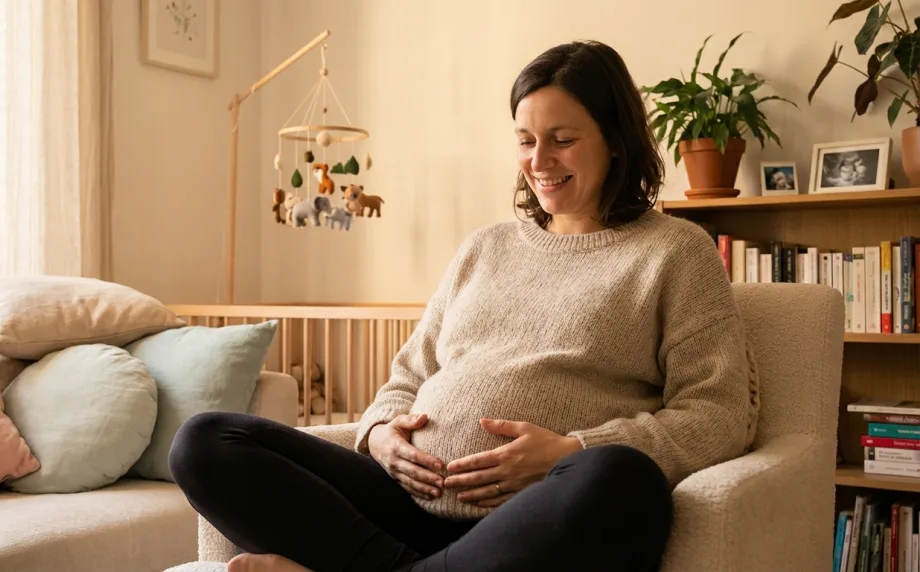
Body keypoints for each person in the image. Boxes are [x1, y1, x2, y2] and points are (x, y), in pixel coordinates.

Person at [168, 39, 760, 572]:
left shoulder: (676, 251)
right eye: (526, 141)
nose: (539, 161)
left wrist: (570, 450)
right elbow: (406, 380)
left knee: (620, 477)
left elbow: (717, 413)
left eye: (563, 139)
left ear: (615, 139)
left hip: (534, 520)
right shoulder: (486, 247)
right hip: (401, 507)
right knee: (205, 442)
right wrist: (379, 437)